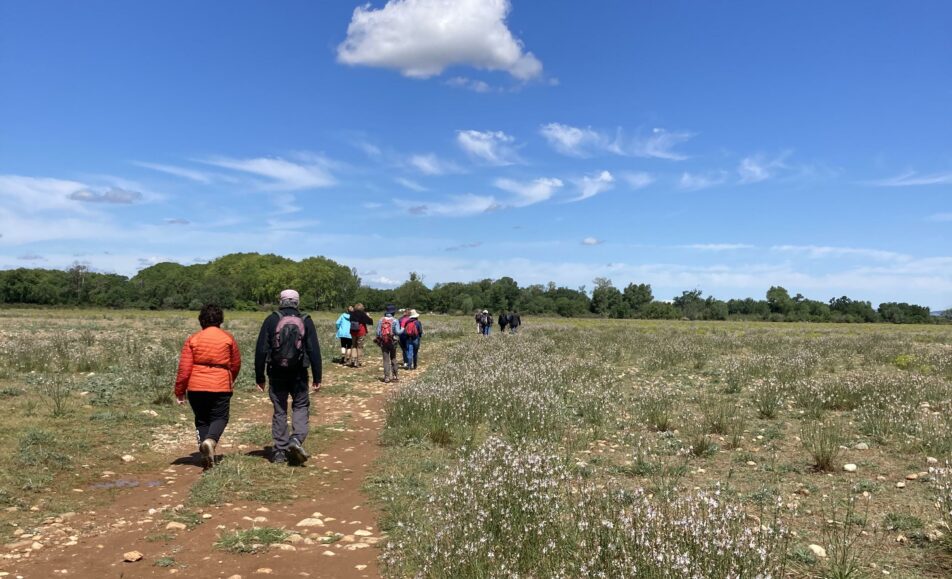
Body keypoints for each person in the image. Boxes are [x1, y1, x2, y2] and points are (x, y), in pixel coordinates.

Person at [254, 289, 322, 466]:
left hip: (276, 372)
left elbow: (261, 349)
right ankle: (297, 439)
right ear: (297, 302)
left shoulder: (271, 319)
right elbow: (314, 350)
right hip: (299, 373)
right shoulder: (305, 320)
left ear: (280, 301)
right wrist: (317, 376)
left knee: (280, 410)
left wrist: (259, 376)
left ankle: (279, 452)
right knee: (300, 405)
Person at [173, 304, 241, 469]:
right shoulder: (227, 338)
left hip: (196, 386)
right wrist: (230, 378)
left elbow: (184, 368)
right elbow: (236, 363)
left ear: (201, 320)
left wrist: (180, 390)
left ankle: (205, 448)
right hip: (220, 385)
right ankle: (210, 441)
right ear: (220, 320)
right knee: (220, 417)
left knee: (202, 419)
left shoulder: (194, 339)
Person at [375, 304, 403, 383]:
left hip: (384, 342)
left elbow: (377, 332)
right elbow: (398, 332)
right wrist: (403, 329)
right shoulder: (395, 320)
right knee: (393, 358)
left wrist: (381, 338)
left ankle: (387, 377)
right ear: (393, 312)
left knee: (385, 359)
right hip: (393, 341)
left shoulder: (381, 320)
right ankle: (395, 376)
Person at [348, 303, 374, 367]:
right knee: (359, 346)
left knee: (354, 345)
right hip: (361, 331)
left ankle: (353, 360)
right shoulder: (362, 314)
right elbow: (370, 322)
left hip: (353, 331)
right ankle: (359, 361)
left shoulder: (352, 314)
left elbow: (350, 320)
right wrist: (369, 316)